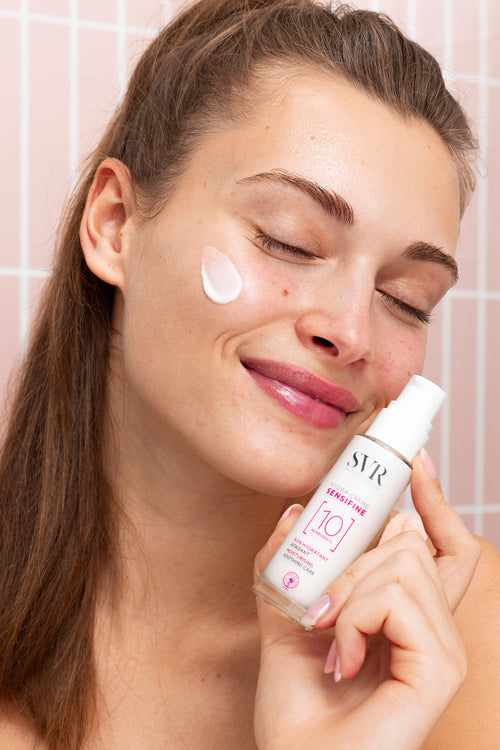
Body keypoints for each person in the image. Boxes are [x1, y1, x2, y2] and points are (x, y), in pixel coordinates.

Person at [0, 0, 498, 748]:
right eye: (287, 240)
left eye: (406, 299)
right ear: (115, 225)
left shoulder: (470, 643)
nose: (352, 332)